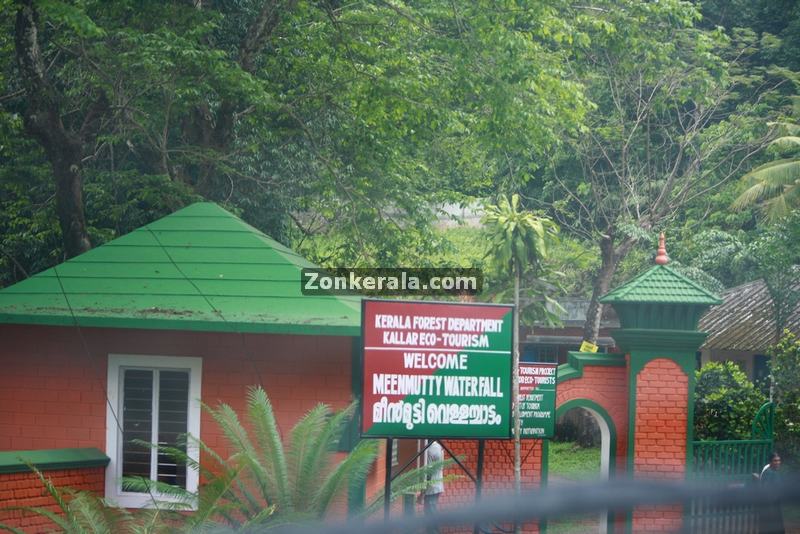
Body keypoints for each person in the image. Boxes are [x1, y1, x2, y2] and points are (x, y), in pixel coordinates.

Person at [418, 440, 444, 534]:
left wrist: (422, 493)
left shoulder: (429, 450)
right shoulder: (439, 446)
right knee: (432, 512)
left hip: (431, 487)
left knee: (430, 513)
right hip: (438, 484)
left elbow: (429, 473)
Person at [759, 452, 785, 534]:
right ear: (770, 462)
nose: (778, 463)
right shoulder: (770, 473)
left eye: (779, 460)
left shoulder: (770, 471)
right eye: (775, 461)